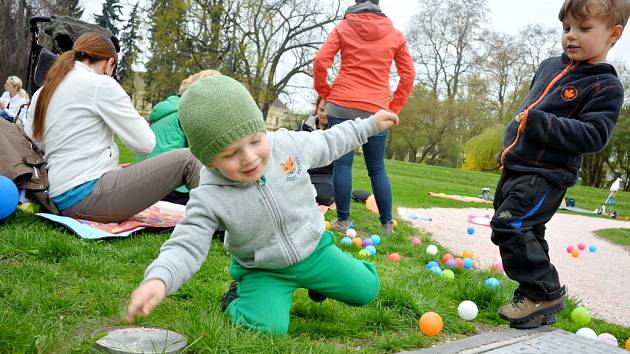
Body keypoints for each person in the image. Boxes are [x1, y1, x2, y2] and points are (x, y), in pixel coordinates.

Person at [126, 75, 399, 335]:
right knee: (268, 329)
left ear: (262, 129)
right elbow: (186, 244)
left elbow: (330, 141)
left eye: (255, 141)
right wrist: (159, 279)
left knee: (367, 289)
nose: (249, 158)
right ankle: (237, 299)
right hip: (265, 269)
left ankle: (320, 284)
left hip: (314, 251)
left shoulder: (286, 144)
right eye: (231, 154)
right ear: (209, 161)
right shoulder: (208, 195)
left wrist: (369, 125)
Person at [491, 0, 629, 329]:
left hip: (546, 175)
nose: (571, 36)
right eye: (566, 28)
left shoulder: (605, 86)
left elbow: (595, 135)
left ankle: (543, 292)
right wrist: (508, 152)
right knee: (526, 231)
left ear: (613, 34)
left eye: (584, 29)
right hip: (516, 169)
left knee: (510, 225)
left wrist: (542, 124)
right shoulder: (548, 66)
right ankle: (537, 302)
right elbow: (526, 110)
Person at [26, 32, 202, 223]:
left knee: (131, 168)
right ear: (109, 64)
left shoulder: (43, 91)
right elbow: (145, 144)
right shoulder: (100, 84)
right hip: (84, 198)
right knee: (189, 159)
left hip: (56, 195)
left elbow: (35, 144)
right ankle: (221, 221)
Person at [313, 0, 415, 235]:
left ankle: (342, 221)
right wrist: (393, 107)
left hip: (341, 104)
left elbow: (320, 61)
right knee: (377, 167)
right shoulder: (395, 34)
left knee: (342, 163)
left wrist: (326, 94)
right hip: (377, 108)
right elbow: (408, 75)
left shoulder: (343, 27)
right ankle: (387, 224)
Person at [135, 69, 221, 205]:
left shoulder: (168, 107)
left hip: (142, 178)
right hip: (170, 189)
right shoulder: (189, 113)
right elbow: (205, 154)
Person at [298, 97, 334, 206]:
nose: (324, 114)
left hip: (326, 176)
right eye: (321, 110)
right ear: (317, 109)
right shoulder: (304, 126)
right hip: (304, 173)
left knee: (323, 197)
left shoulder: (337, 131)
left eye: (328, 111)